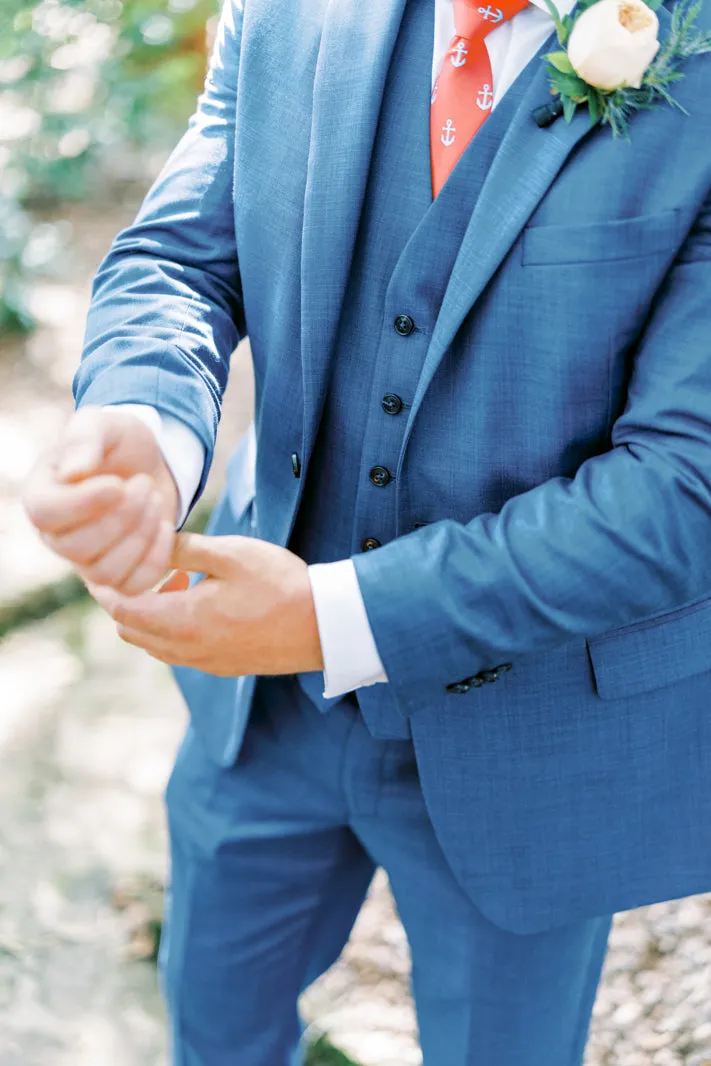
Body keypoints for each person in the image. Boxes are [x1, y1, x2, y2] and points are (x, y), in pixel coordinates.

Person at [23, 0, 711, 1062]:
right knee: (213, 1027)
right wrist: (145, 425)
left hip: (531, 733)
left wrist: (333, 617)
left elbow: (683, 488)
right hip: (257, 713)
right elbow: (181, 258)